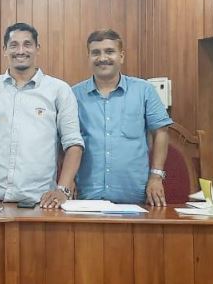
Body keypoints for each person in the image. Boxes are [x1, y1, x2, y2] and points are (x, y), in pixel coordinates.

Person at [0, 23, 84, 208]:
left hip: (43, 203)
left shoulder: (59, 90)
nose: (20, 51)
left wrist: (62, 190)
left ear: (37, 48)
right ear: (5, 50)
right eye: (14, 45)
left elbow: (73, 144)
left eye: (27, 44)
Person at [72, 29, 173, 205]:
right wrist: (68, 180)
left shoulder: (144, 90)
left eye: (109, 51)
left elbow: (161, 132)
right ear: (89, 57)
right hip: (86, 195)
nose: (102, 58)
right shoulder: (73, 94)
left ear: (121, 56)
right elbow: (65, 140)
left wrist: (156, 176)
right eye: (96, 53)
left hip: (134, 195)